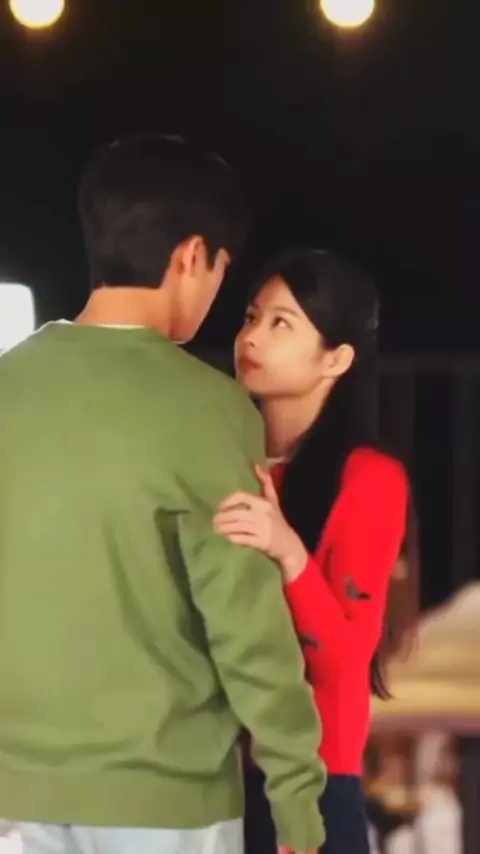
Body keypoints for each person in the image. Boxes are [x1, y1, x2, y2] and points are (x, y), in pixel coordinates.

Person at [0, 137, 326, 854]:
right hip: (167, 801)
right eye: (221, 272)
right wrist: (298, 798)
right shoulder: (208, 410)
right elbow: (247, 627)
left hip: (15, 796)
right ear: (191, 256)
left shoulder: (7, 386)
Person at [213, 248, 419, 854]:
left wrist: (289, 553)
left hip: (313, 787)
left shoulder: (370, 478)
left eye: (282, 323)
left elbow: (345, 660)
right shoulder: (225, 463)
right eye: (251, 317)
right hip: (213, 783)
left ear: (336, 358)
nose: (252, 337)